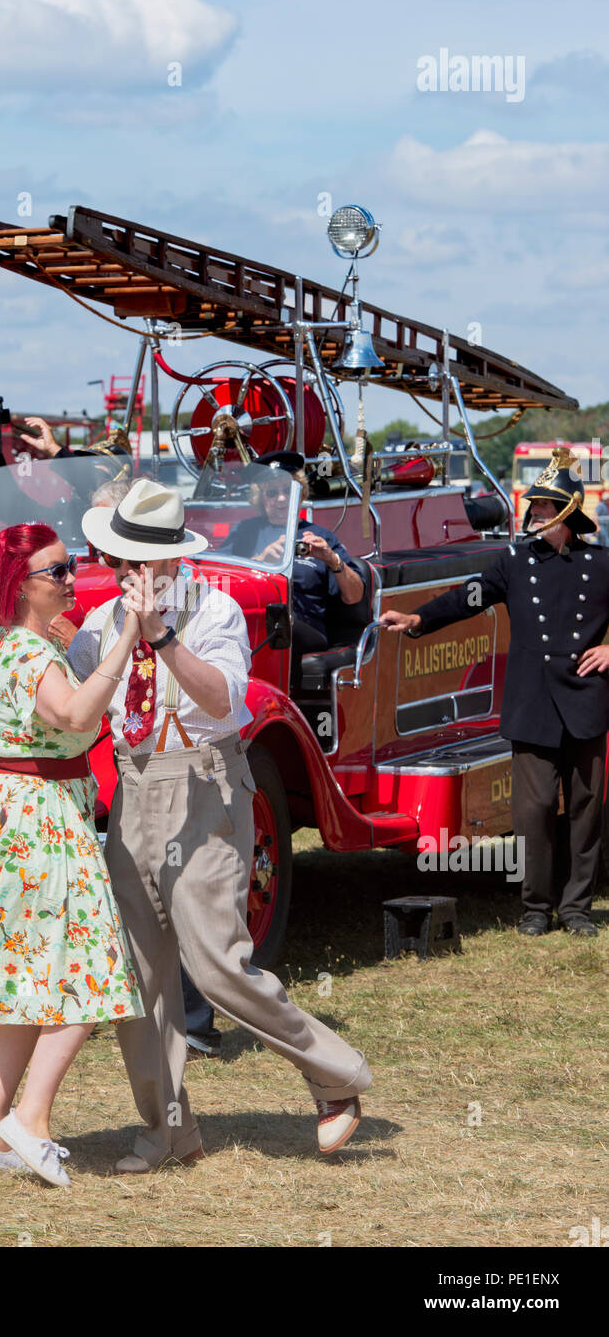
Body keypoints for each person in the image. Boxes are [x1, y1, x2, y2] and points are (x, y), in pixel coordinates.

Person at [64, 478, 372, 1170]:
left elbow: (227, 699)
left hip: (203, 781)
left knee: (216, 962)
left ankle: (336, 1076)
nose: (121, 573)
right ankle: (168, 1130)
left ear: (169, 560)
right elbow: (79, 700)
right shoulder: (101, 621)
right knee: (138, 976)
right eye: (116, 559)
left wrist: (162, 638)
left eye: (133, 561)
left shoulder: (215, 611)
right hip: (136, 785)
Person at [0, 523, 144, 1186]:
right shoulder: (31, 654)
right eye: (57, 572)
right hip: (43, 819)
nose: (70, 578)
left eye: (70, 567)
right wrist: (126, 637)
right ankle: (30, 1121)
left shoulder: (20, 644)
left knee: (27, 983)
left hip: (25, 808)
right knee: (87, 972)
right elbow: (72, 716)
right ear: (21, 585)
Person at [381, 446, 609, 938]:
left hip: (586, 699)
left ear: (567, 512)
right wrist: (419, 618)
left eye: (545, 507)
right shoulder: (516, 562)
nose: (535, 514)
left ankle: (576, 908)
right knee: (535, 809)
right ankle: (536, 907)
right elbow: (469, 597)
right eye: (534, 506)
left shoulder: (602, 563)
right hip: (533, 702)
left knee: (587, 812)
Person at [224, 453, 366, 690]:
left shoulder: (321, 536)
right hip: (254, 622)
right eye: (272, 492)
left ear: (300, 495)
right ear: (261, 498)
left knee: (278, 623)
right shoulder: (245, 533)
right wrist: (261, 559)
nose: (281, 499)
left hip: (304, 627)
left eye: (288, 491)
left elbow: (354, 596)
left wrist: (332, 559)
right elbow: (222, 578)